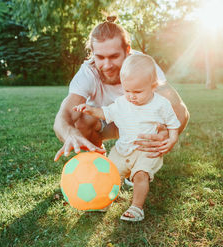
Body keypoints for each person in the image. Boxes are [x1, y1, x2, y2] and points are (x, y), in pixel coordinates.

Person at [53, 16, 189, 162]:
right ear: (93, 53)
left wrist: (167, 135)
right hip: (105, 121)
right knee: (81, 120)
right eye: (100, 57)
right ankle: (98, 161)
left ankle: (139, 164)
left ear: (127, 51)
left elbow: (180, 110)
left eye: (114, 56)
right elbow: (64, 115)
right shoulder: (88, 73)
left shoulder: (143, 65)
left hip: (140, 123)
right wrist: (70, 134)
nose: (107, 65)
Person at [73, 54, 180, 221]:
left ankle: (137, 207)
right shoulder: (122, 103)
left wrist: (172, 139)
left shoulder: (161, 104)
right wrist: (90, 110)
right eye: (127, 90)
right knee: (110, 174)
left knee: (140, 175)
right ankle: (104, 200)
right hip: (122, 150)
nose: (131, 96)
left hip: (146, 151)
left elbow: (173, 123)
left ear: (153, 86)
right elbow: (105, 113)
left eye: (137, 91)